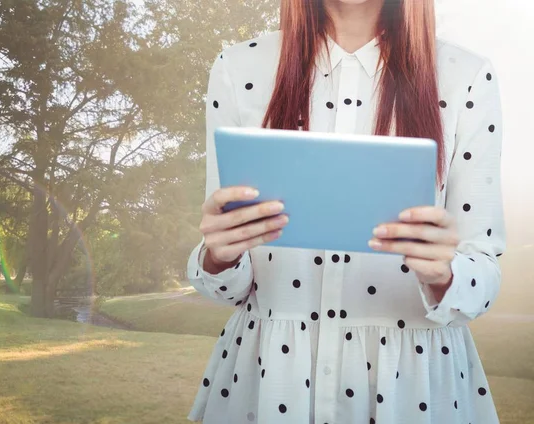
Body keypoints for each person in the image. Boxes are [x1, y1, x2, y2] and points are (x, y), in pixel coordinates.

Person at [186, 0, 505, 423]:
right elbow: (227, 283)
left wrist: (444, 274)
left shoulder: (466, 76)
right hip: (267, 381)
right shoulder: (238, 67)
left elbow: (483, 272)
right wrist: (219, 254)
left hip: (412, 389)